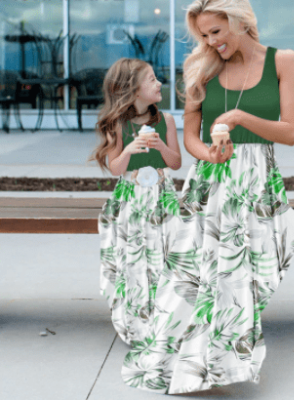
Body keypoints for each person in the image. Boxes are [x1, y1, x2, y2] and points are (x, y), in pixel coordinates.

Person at [119, 0, 294, 395]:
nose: (210, 41)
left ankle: (221, 361)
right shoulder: (201, 68)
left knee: (242, 276)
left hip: (258, 181)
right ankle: (200, 365)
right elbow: (190, 136)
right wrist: (208, 153)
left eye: (216, 31)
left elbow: (289, 132)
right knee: (197, 273)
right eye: (203, 34)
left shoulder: (282, 61)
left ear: (238, 21)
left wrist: (238, 119)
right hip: (209, 180)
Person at [90, 58, 182, 347]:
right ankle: (138, 318)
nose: (159, 83)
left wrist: (161, 145)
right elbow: (116, 169)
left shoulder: (165, 121)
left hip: (162, 196)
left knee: (165, 258)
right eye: (152, 79)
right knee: (135, 260)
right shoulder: (118, 124)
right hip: (131, 198)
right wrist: (129, 148)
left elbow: (176, 163)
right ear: (132, 88)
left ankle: (166, 318)